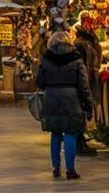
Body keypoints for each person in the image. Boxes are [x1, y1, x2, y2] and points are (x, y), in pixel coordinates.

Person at [36, 30, 92, 180]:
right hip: (71, 98)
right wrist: (88, 103)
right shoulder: (76, 59)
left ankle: (55, 167)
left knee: (55, 133)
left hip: (52, 98)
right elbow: (83, 85)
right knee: (70, 132)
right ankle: (70, 169)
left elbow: (39, 82)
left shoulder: (45, 59)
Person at [73, 23, 102, 156]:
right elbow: (84, 64)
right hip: (85, 80)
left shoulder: (83, 43)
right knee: (82, 110)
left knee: (83, 110)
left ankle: (80, 141)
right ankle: (79, 143)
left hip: (86, 78)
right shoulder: (82, 44)